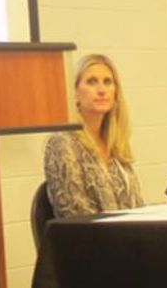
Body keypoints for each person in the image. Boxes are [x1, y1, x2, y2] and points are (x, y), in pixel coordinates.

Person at [44, 54, 145, 217]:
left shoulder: (115, 144)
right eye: (91, 82)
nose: (101, 90)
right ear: (75, 92)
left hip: (127, 236)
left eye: (107, 82)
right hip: (90, 239)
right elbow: (75, 212)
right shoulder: (62, 143)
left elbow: (137, 205)